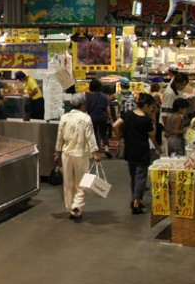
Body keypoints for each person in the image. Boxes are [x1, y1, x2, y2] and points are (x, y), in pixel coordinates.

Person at [55, 93, 102, 221]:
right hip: (81, 154)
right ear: (82, 105)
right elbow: (90, 136)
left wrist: (57, 152)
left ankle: (71, 209)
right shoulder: (86, 118)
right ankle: (77, 206)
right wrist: (95, 152)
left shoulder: (64, 117)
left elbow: (59, 136)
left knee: (68, 183)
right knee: (82, 183)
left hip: (66, 154)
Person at [113, 93, 159, 215]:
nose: (152, 110)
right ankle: (136, 203)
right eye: (151, 108)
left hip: (129, 150)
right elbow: (152, 135)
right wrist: (153, 119)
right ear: (146, 106)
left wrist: (120, 138)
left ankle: (135, 198)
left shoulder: (128, 114)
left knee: (134, 176)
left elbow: (115, 125)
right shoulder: (146, 120)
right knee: (141, 177)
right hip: (142, 151)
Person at [85, 78, 111, 156]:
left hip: (92, 117)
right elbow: (107, 107)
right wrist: (109, 116)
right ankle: (106, 148)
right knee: (104, 133)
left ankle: (95, 150)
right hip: (102, 116)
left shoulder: (88, 97)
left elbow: (86, 108)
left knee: (93, 133)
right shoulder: (104, 96)